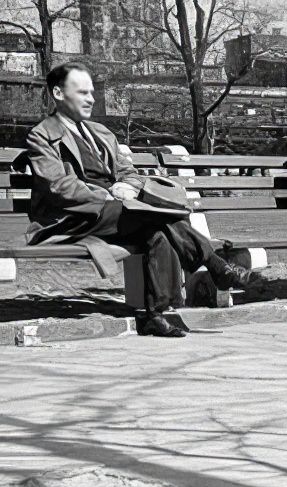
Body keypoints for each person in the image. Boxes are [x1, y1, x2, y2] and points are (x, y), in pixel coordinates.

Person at [22, 62, 259, 337]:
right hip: (72, 218)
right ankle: (217, 265)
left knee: (155, 231)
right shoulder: (42, 135)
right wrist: (107, 193)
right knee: (155, 215)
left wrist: (128, 188)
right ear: (58, 94)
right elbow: (58, 185)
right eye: (82, 92)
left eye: (91, 93)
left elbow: (129, 172)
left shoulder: (100, 133)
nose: (91, 98)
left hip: (119, 211)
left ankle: (154, 315)